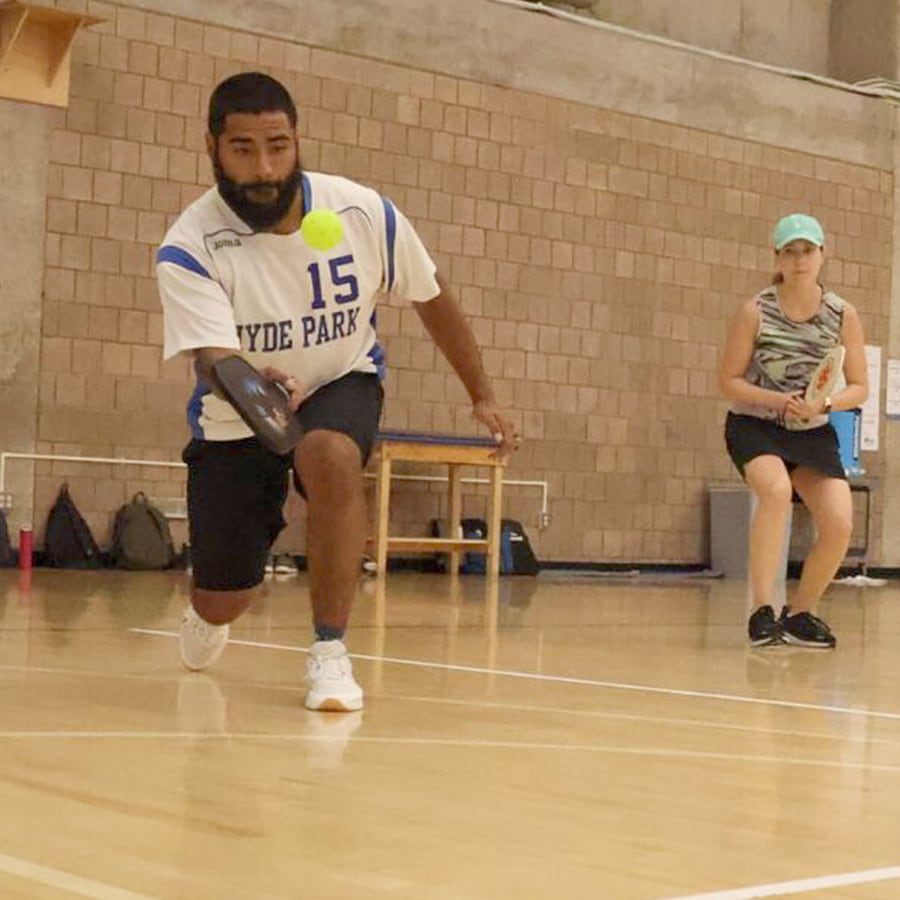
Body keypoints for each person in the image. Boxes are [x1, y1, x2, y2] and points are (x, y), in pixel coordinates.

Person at [157, 72, 516, 711]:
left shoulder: (362, 212)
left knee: (332, 455)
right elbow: (212, 358)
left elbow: (432, 298)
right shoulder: (190, 246)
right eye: (243, 149)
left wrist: (481, 394)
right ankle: (209, 612)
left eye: (278, 146)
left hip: (339, 377)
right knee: (223, 598)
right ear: (212, 147)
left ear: (298, 141)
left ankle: (330, 649)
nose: (264, 168)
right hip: (238, 411)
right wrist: (250, 383)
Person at [717, 213, 868, 649]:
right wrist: (778, 400)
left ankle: (800, 614)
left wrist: (825, 404)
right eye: (790, 251)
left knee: (839, 522)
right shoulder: (755, 311)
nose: (800, 260)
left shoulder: (842, 314)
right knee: (776, 492)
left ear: (822, 254)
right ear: (777, 257)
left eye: (807, 250)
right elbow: (728, 381)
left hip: (812, 429)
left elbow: (859, 387)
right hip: (755, 424)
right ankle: (762, 609)